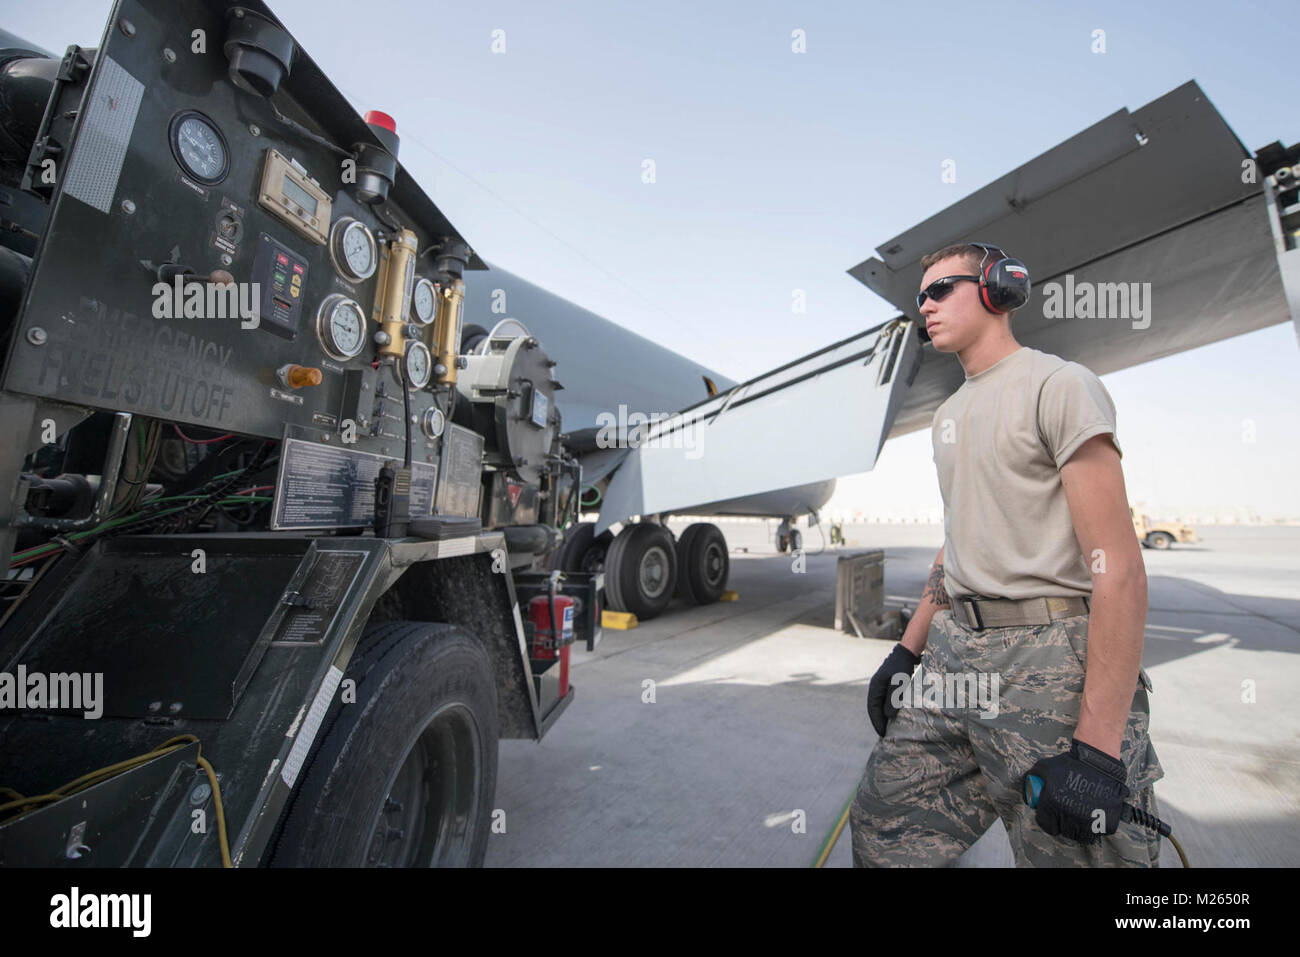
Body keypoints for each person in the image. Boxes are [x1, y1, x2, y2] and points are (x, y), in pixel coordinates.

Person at [849, 242, 1163, 867]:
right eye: (920, 297)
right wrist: (906, 650)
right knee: (884, 829)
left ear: (997, 287)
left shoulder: (1059, 384)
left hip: (1049, 659)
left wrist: (1098, 750)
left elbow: (1120, 567)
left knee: (1075, 855)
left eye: (941, 290)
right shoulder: (947, 416)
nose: (925, 307)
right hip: (954, 658)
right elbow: (957, 544)